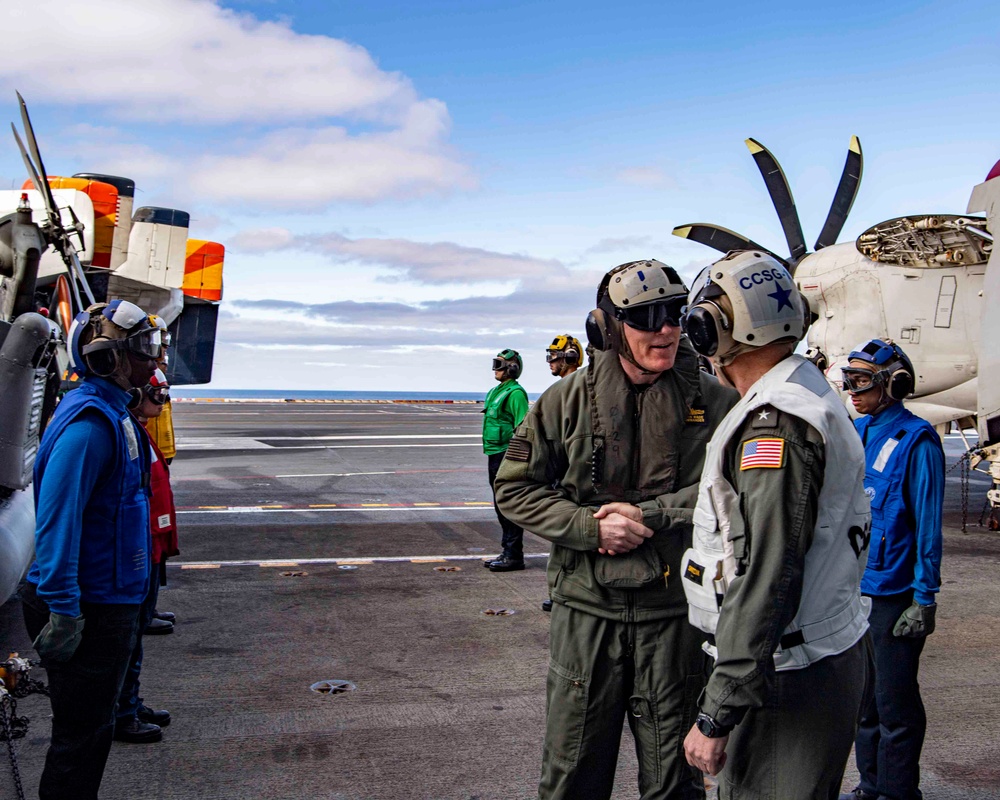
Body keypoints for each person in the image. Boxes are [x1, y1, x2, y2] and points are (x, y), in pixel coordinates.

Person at [495, 260, 738, 800]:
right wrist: (588, 528)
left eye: (675, 314)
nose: (667, 329)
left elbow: (733, 491)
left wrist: (649, 516)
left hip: (675, 616)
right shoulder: (564, 401)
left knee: (674, 780)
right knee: (572, 773)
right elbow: (514, 489)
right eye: (647, 317)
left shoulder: (716, 402)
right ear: (607, 328)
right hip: (587, 614)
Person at [678, 250, 872, 798]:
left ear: (714, 327)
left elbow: (767, 572)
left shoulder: (777, 423)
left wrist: (718, 712)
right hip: (808, 656)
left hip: (785, 674)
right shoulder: (806, 389)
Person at [18, 299, 161, 800]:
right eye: (144, 349)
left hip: (109, 597)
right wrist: (62, 606)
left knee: (93, 732)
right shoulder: (89, 427)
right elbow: (57, 520)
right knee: (79, 740)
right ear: (105, 358)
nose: (155, 360)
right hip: (88, 604)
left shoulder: (112, 411)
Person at [839, 339, 944, 800]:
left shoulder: (918, 441)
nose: (853, 392)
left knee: (894, 704)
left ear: (893, 384)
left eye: (862, 383)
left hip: (894, 595)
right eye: (849, 382)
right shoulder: (860, 432)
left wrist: (925, 597)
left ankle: (899, 793)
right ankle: (870, 787)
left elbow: (927, 525)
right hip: (856, 590)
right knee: (864, 702)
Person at [115, 368, 178, 743]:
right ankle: (123, 713)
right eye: (157, 394)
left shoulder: (135, 431)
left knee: (134, 639)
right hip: (137, 553)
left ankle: (129, 704)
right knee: (127, 641)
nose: (162, 401)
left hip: (149, 549)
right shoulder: (122, 430)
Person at [541, 334, 585, 612]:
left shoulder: (577, 390)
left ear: (570, 357)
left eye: (554, 357)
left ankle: (566, 592)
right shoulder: (562, 391)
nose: (550, 362)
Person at [482, 349, 530, 572]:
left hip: (505, 454)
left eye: (500, 364)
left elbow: (523, 427)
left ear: (512, 368)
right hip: (494, 452)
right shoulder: (496, 391)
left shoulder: (516, 393)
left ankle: (513, 555)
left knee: (507, 505)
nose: (496, 369)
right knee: (500, 505)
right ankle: (507, 551)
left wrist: (517, 460)